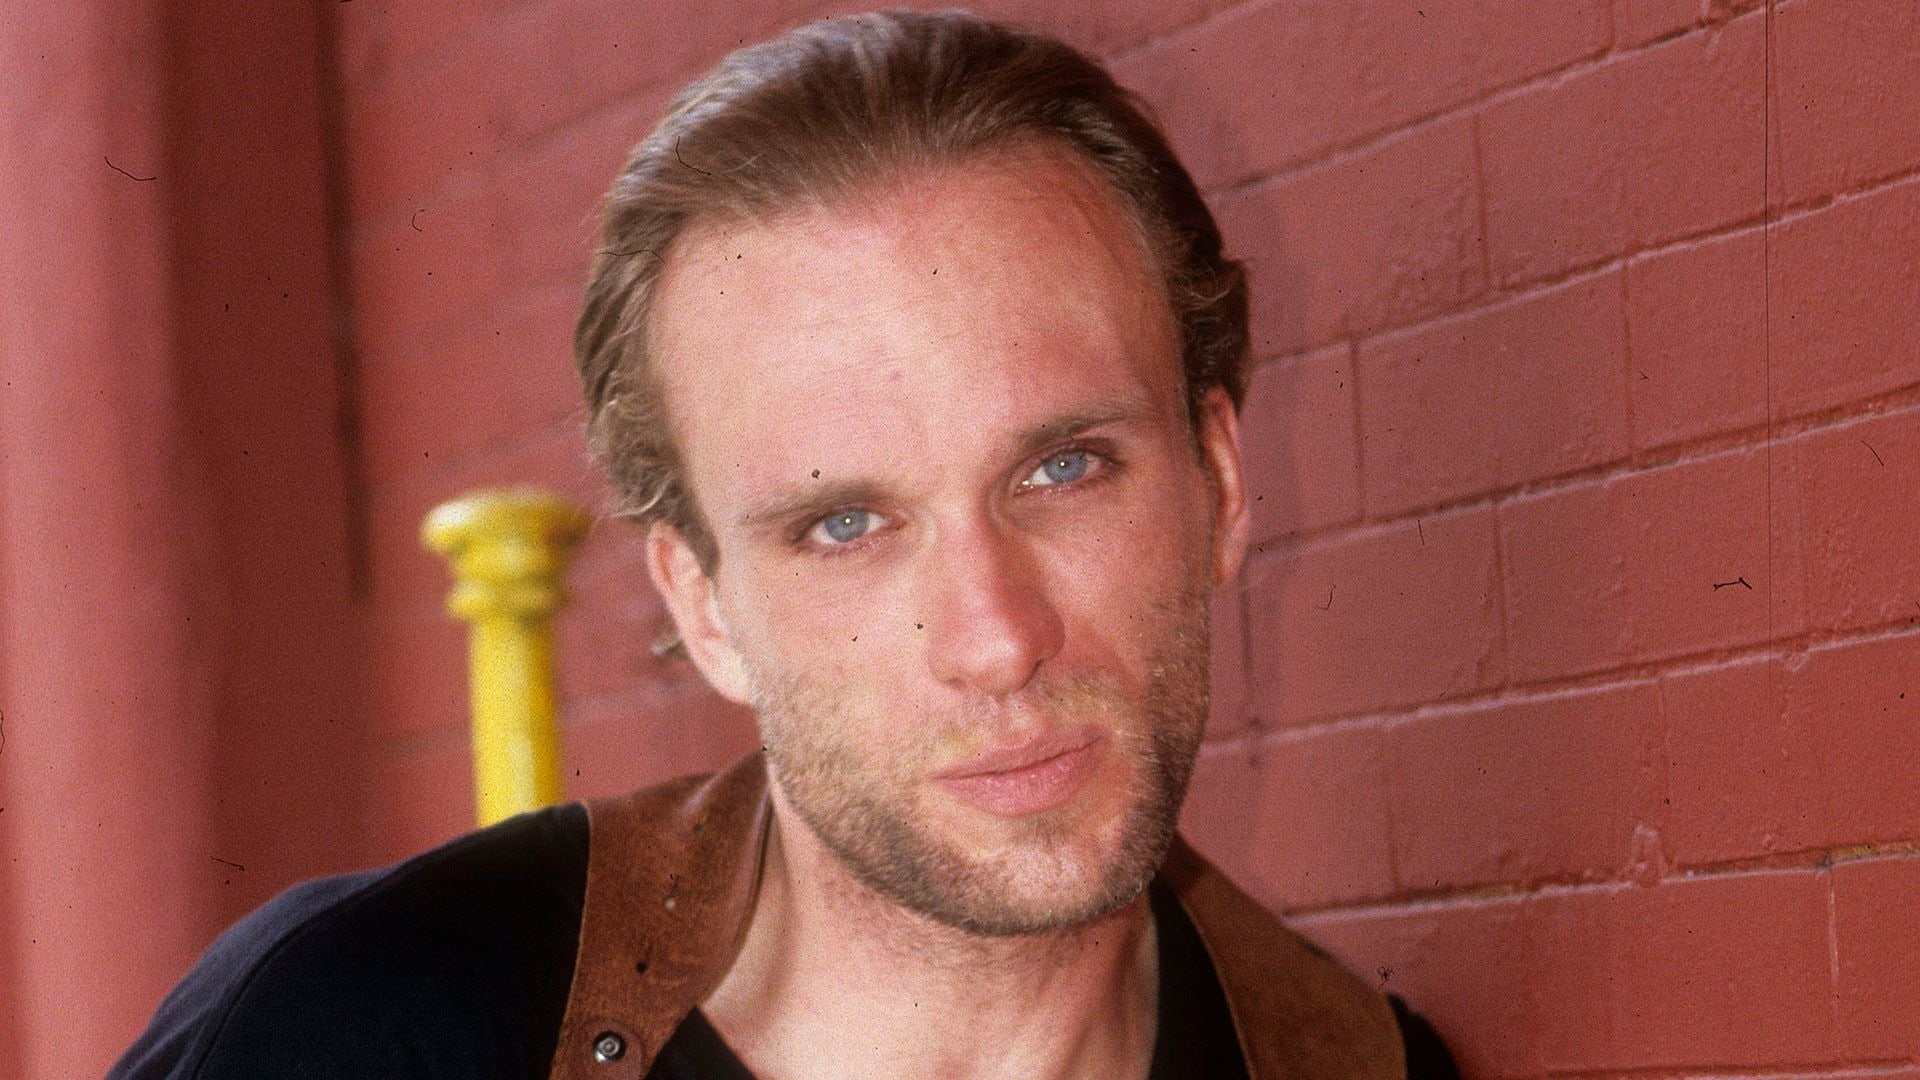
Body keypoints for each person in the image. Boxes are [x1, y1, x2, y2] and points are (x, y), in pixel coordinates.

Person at [113, 10, 1455, 1079]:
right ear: (704, 606)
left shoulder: (1346, 1066)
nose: (996, 637)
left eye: (1063, 467)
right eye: (845, 525)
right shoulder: (372, 1032)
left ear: (1218, 480)